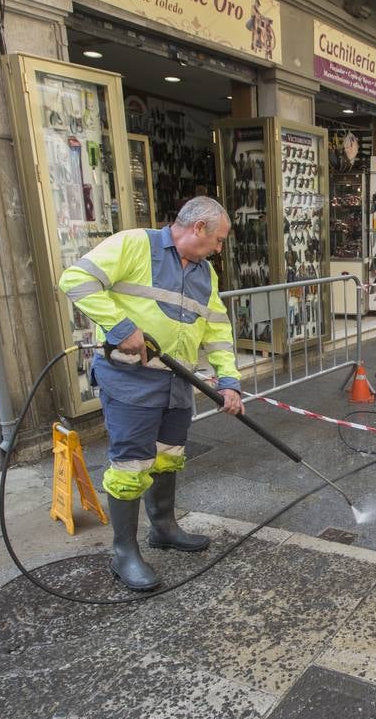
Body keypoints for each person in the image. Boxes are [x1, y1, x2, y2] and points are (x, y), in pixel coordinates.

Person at [58, 197, 244, 591]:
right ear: (198, 229)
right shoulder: (133, 244)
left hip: (178, 382)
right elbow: (75, 280)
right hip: (132, 382)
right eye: (218, 240)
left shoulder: (205, 274)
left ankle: (163, 527)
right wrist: (120, 326)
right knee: (131, 464)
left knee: (167, 457)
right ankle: (123, 552)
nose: (219, 249)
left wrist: (228, 381)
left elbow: (217, 331)